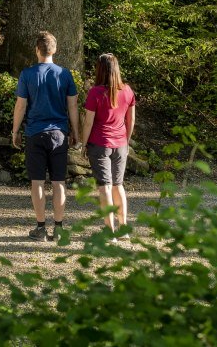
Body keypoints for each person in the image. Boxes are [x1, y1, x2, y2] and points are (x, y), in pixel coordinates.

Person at [12, 31, 80, 242]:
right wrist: (75, 132)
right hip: (59, 134)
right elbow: (73, 106)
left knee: (37, 182)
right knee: (59, 181)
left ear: (37, 50)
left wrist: (15, 131)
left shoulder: (27, 74)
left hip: (35, 133)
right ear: (55, 50)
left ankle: (40, 228)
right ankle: (58, 228)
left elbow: (21, 105)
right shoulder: (65, 74)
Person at [80, 53, 136, 239]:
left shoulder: (95, 92)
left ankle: (109, 231)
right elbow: (131, 120)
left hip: (99, 143)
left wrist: (83, 144)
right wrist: (125, 142)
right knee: (118, 185)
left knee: (104, 186)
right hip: (120, 144)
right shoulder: (127, 91)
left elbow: (88, 122)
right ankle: (124, 229)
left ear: (100, 69)